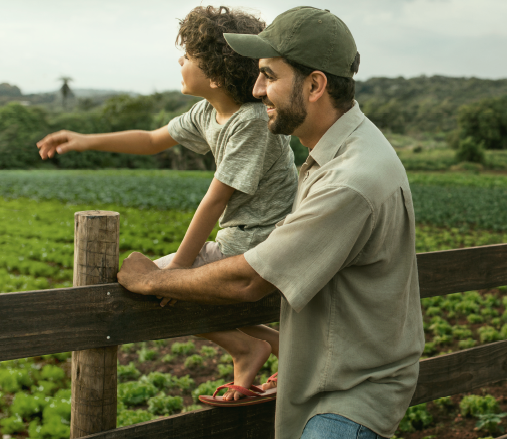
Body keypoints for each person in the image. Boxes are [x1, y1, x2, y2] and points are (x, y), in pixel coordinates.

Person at [117, 6, 424, 439]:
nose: (257, 89)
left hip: (347, 399)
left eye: (269, 75)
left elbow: (250, 281)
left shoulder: (350, 181)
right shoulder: (345, 149)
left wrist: (153, 280)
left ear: (315, 85)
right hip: (330, 381)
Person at [35, 6, 297, 406]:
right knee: (170, 287)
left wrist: (177, 269)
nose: (180, 61)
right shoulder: (210, 112)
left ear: (214, 74)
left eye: (188, 57)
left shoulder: (251, 122)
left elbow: (215, 199)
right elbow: (152, 139)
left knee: (151, 284)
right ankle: (273, 347)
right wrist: (84, 139)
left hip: (261, 242)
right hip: (244, 238)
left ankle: (246, 349)